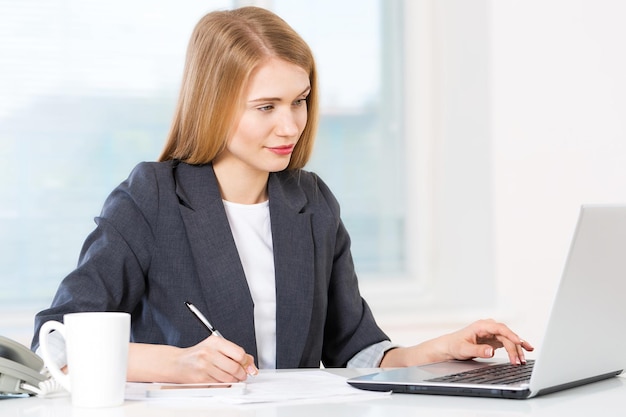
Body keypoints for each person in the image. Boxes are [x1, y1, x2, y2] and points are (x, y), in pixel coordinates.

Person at [31, 6, 533, 384]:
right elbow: (55, 342)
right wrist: (178, 363)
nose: (290, 125)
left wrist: (438, 349)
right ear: (214, 105)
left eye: (299, 101)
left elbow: (354, 351)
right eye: (266, 106)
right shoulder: (152, 197)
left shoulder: (311, 202)